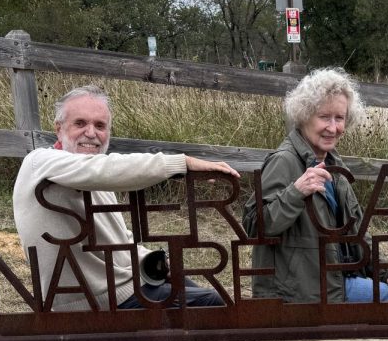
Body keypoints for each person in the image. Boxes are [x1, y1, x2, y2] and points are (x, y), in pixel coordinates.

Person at [13, 86, 239, 311]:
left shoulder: (96, 176)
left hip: (125, 286)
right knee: (213, 304)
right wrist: (181, 163)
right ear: (58, 128)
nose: (91, 133)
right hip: (92, 301)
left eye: (100, 126)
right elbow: (103, 168)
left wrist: (150, 259)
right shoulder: (40, 162)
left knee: (215, 296)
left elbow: (118, 240)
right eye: (80, 123)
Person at [252, 68, 388, 303]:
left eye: (339, 118)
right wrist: (296, 192)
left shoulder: (333, 164)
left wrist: (387, 272)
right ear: (304, 115)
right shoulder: (284, 161)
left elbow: (357, 232)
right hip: (303, 291)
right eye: (324, 117)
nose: (333, 127)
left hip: (336, 278)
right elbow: (256, 227)